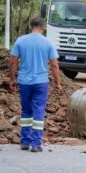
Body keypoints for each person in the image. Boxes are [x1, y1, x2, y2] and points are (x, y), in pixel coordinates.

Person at [9, 17, 62, 152]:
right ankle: (36, 144)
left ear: (30, 26)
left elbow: (13, 62)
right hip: (41, 83)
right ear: (43, 27)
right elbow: (54, 65)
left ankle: (25, 142)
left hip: (24, 82)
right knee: (39, 111)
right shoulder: (47, 42)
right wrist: (58, 83)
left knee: (26, 110)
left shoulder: (21, 41)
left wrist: (12, 79)